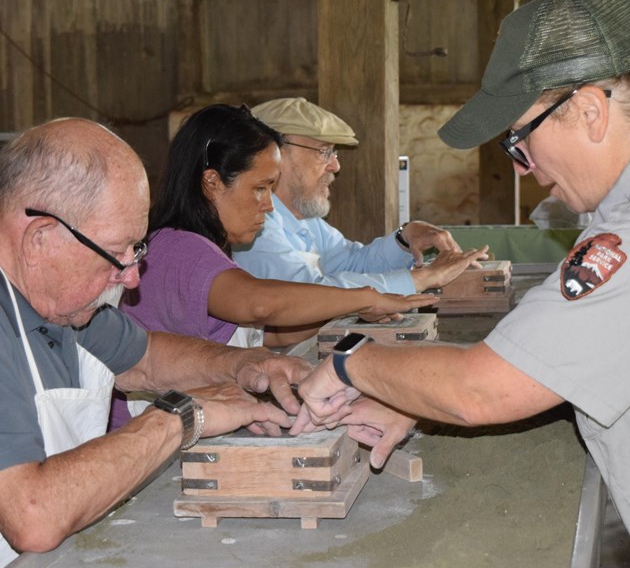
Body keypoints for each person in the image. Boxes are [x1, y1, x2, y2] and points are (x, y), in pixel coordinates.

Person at [290, 0, 630, 541]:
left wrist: (350, 361)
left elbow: (484, 389)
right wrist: (417, 402)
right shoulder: (615, 209)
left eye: (520, 138)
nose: (522, 168)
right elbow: (554, 357)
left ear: (589, 112)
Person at [0, 117, 311, 568]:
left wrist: (245, 365)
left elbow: (144, 358)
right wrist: (181, 417)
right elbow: (33, 518)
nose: (130, 277)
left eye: (136, 250)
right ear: (40, 238)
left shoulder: (60, 303)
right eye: (116, 253)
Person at [113, 104, 435, 428]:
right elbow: (261, 305)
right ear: (212, 182)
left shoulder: (209, 247)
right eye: (259, 188)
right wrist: (364, 297)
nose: (268, 206)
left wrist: (346, 310)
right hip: (148, 440)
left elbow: (274, 335)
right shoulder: (177, 247)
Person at [232, 96, 488, 294]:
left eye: (334, 152)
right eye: (323, 151)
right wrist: (421, 279)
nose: (335, 166)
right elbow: (309, 295)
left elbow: (352, 263)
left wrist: (405, 237)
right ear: (274, 153)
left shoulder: (304, 220)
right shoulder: (252, 225)